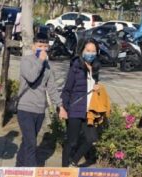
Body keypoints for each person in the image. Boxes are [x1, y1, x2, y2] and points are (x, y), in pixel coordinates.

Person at [16, 32, 62, 167]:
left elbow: (52, 88)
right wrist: (40, 61)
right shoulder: (26, 61)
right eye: (39, 46)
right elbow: (31, 77)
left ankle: (19, 167)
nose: (42, 49)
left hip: (40, 109)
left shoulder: (48, 66)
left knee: (28, 141)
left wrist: (59, 105)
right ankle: (31, 171)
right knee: (31, 143)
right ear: (33, 47)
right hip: (25, 108)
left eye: (45, 46)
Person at [60, 38, 100, 167]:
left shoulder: (95, 68)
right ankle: (64, 168)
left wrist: (97, 88)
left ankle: (73, 162)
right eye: (88, 50)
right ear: (82, 51)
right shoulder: (76, 67)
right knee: (72, 142)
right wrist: (63, 108)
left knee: (91, 139)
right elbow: (67, 89)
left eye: (93, 51)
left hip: (89, 111)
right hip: (75, 109)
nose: (91, 54)